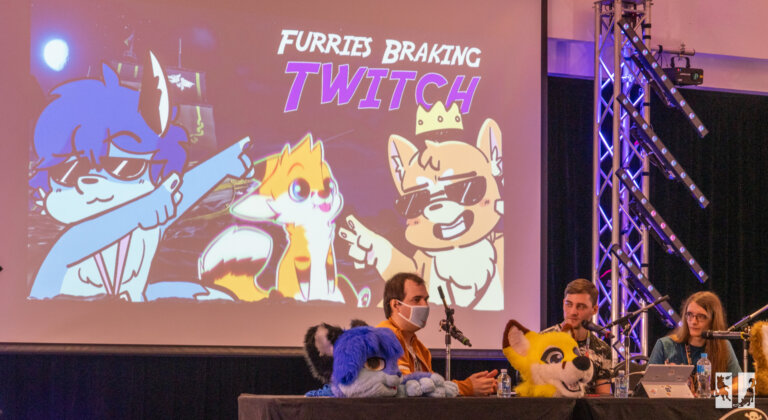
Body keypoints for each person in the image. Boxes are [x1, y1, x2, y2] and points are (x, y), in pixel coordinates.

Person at [376, 272, 498, 396]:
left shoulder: (420, 349)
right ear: (396, 305)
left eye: (426, 299)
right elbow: (408, 386)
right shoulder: (385, 337)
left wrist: (482, 384)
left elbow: (434, 388)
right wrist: (467, 387)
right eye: (417, 299)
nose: (425, 305)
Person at [649, 291, 741, 391]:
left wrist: (712, 394)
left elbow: (740, 385)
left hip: (708, 406)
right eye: (689, 315)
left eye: (701, 317)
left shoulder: (723, 346)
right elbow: (648, 386)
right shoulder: (665, 345)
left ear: (713, 320)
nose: (693, 322)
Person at [541, 278, 612, 395]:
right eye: (568, 304)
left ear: (594, 310)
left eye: (581, 306)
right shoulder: (543, 340)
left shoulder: (602, 349)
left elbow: (603, 398)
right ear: (563, 303)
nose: (573, 312)